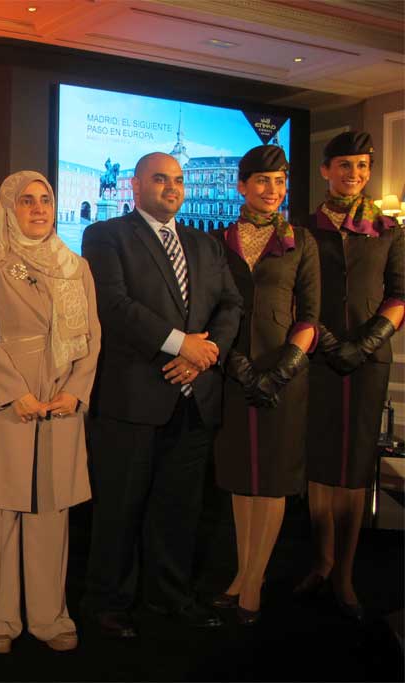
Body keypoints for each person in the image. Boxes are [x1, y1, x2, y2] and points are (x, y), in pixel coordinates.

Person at [81, 152, 242, 638]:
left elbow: (231, 304)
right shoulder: (106, 236)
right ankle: (108, 603)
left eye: (177, 180)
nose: (172, 188)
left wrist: (206, 351)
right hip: (132, 400)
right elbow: (113, 305)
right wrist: (180, 344)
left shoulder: (204, 243)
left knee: (179, 508)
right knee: (119, 508)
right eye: (160, 179)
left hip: (194, 397)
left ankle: (169, 596)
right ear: (134, 185)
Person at [0, 171, 100, 654]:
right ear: (7, 206)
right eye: (26, 200)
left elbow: (91, 338)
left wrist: (76, 391)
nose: (37, 208)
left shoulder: (76, 267)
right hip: (1, 401)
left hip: (60, 403)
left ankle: (50, 617)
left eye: (45, 199)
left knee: (51, 512)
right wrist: (14, 393)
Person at [211, 145, 319, 625]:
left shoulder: (303, 242)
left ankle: (253, 581)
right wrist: (236, 365)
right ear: (242, 185)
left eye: (279, 182)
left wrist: (281, 370)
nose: (272, 190)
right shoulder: (220, 239)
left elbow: (312, 316)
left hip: (284, 375)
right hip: (234, 374)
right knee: (242, 479)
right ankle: (240, 572)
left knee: (271, 478)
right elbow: (213, 311)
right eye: (262, 181)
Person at [300, 131, 404, 621]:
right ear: (326, 170)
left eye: (362, 167)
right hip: (317, 355)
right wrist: (325, 339)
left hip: (369, 359)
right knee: (321, 460)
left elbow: (400, 295)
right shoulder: (303, 229)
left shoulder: (389, 230)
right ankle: (321, 561)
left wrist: (364, 343)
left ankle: (345, 572)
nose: (354, 175)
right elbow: (298, 296)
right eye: (345, 166)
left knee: (357, 465)